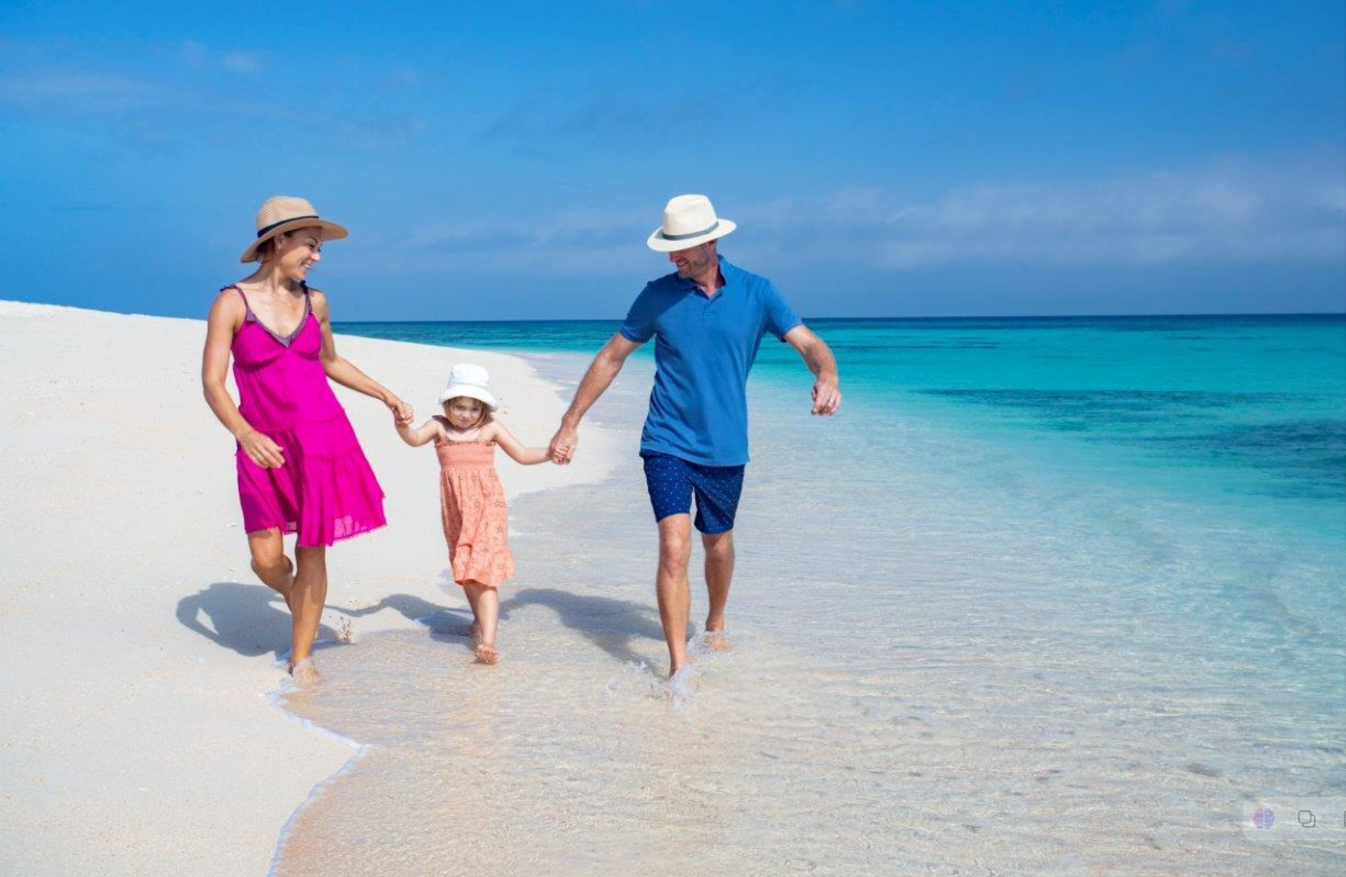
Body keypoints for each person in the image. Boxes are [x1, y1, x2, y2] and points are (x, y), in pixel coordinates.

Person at [548, 194, 841, 677]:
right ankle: (678, 668)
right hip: (666, 441)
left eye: (681, 247)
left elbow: (809, 344)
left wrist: (827, 376)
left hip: (725, 446)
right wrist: (570, 422)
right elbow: (611, 357)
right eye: (669, 247)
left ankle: (715, 622)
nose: (672, 256)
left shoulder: (758, 292)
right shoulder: (657, 296)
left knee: (718, 543)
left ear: (711, 241)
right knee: (673, 547)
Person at [202, 195, 414, 681]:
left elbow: (330, 361)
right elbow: (213, 382)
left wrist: (385, 393)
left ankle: (302, 658)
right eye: (310, 246)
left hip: (321, 440)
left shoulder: (315, 302)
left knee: (313, 547)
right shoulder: (231, 303)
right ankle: (302, 598)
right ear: (278, 242)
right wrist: (244, 432)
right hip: (261, 444)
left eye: (319, 248)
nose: (317, 257)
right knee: (266, 560)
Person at [396, 363, 550, 663]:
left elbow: (523, 454)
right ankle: (479, 619)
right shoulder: (439, 426)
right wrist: (401, 423)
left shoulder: (490, 429)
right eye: (460, 407)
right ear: (449, 403)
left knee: (485, 572)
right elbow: (413, 439)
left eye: (474, 409)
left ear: (484, 410)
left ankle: (489, 639)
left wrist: (551, 452)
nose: (466, 415)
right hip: (455, 510)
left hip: (488, 506)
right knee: (465, 570)